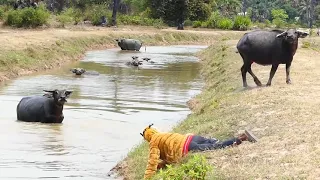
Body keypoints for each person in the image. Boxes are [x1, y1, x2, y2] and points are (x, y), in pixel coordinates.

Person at [141, 124, 258, 179]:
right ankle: (239, 137)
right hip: (191, 138)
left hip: (187, 147)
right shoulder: (163, 135)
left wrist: (147, 177)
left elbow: (152, 162)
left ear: (147, 138)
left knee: (216, 148)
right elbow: (167, 156)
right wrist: (161, 166)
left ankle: (241, 139)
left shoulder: (153, 142)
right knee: (214, 143)